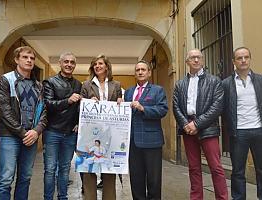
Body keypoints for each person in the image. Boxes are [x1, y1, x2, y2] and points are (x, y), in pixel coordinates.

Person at [173, 49, 228, 200]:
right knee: (194, 168)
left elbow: (217, 106)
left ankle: (222, 198)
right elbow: (176, 106)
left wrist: (197, 124)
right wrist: (186, 124)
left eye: (198, 57)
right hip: (187, 129)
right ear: (187, 62)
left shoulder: (214, 81)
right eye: (192, 58)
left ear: (202, 60)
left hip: (208, 128)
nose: (196, 60)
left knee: (216, 168)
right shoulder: (180, 84)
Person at [0, 46, 47, 200]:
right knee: (5, 179)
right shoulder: (6, 80)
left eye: (31, 58)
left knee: (25, 179)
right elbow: (5, 112)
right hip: (10, 137)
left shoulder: (39, 86)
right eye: (25, 57)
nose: (29, 60)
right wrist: (25, 134)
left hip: (31, 137)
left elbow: (44, 113)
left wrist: (36, 131)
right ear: (17, 59)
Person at [124, 60, 168, 200]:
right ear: (135, 74)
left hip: (152, 141)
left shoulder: (158, 90)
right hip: (133, 142)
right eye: (138, 70)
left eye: (143, 69)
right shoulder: (129, 92)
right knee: (136, 179)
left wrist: (143, 108)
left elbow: (162, 110)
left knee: (154, 180)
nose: (140, 72)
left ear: (149, 73)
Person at [80, 54, 122, 200]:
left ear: (106, 67)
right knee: (89, 168)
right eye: (95, 64)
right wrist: (87, 101)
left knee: (109, 170)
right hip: (90, 132)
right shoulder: (86, 85)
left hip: (110, 133)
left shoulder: (116, 85)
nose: (97, 66)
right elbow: (81, 107)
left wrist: (120, 100)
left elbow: (119, 103)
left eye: (100, 64)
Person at [222, 47, 262, 200]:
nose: (243, 60)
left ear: (250, 59)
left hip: (259, 130)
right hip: (238, 133)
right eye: (239, 58)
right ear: (234, 62)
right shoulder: (226, 84)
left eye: (246, 57)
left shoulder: (260, 80)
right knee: (238, 171)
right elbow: (222, 108)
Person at [42, 52, 82, 199]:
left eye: (72, 62)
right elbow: (48, 104)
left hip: (70, 134)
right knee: (50, 169)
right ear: (60, 63)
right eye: (66, 61)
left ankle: (63, 197)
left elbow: (78, 109)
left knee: (65, 169)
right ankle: (48, 198)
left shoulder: (78, 84)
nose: (69, 64)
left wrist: (78, 122)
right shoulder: (50, 82)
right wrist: (68, 101)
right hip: (52, 132)